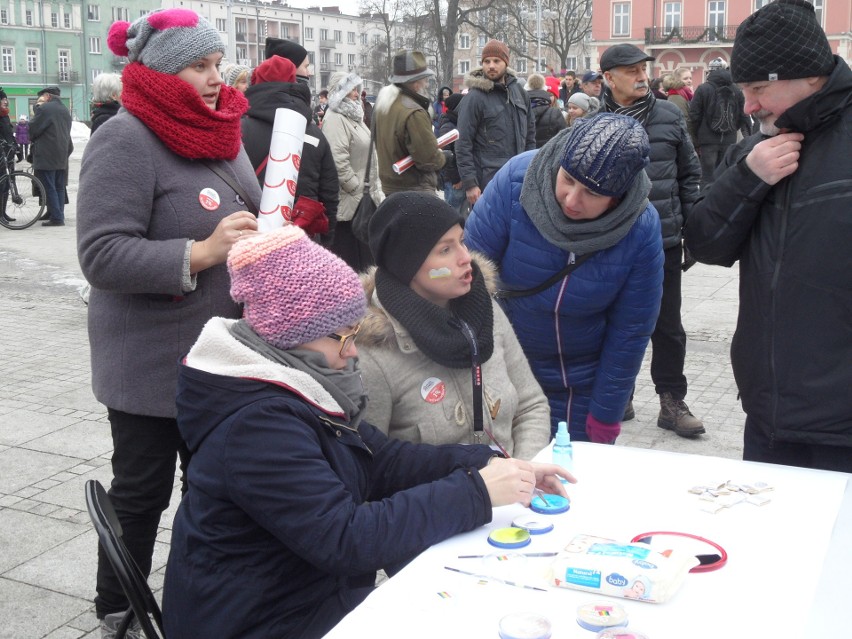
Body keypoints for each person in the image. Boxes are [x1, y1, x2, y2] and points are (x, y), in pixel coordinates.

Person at [161, 224, 573, 639]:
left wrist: (490, 462)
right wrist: (476, 492)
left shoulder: (299, 382)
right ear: (293, 337)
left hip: (296, 593)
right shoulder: (258, 423)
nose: (353, 351)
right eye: (342, 337)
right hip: (256, 620)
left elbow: (381, 458)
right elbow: (345, 538)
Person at [75, 10, 261, 637]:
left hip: (223, 355)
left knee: (214, 490)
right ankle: (117, 607)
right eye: (199, 67)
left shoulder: (224, 133)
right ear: (161, 70)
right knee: (141, 496)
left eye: (216, 64)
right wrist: (201, 252)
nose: (216, 78)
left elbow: (252, 213)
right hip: (151, 367)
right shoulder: (123, 138)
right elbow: (101, 254)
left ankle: (197, 599)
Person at [684, 0, 852, 473]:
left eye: (759, 88)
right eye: (743, 89)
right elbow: (705, 244)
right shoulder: (755, 148)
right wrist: (748, 178)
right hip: (768, 414)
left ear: (810, 75)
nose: (749, 105)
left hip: (841, 423)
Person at [465, 114, 664, 443]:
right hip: (504, 371)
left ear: (618, 198)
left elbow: (630, 330)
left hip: (580, 385)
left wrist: (606, 412)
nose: (572, 200)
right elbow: (469, 280)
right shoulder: (516, 180)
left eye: (591, 193)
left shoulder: (640, 228)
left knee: (567, 486)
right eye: (568, 179)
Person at [357, 192, 551, 459]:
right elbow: (371, 465)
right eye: (445, 250)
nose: (465, 258)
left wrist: (525, 474)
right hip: (444, 500)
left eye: (461, 241)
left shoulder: (486, 309)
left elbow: (531, 405)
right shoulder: (373, 353)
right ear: (407, 265)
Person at [599, 43, 704, 437]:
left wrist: (691, 230)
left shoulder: (669, 115)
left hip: (661, 241)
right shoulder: (590, 124)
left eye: (644, 69)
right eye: (631, 71)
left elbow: (689, 176)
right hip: (609, 243)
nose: (642, 76)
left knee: (668, 326)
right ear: (609, 78)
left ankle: (671, 401)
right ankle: (618, 396)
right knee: (613, 323)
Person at [242, 55, 339, 246]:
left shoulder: (239, 130)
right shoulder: (314, 134)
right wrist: (324, 243)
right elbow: (329, 193)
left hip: (251, 239)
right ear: (294, 85)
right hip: (303, 237)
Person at [456, 39, 535, 206]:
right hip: (487, 182)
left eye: (496, 61)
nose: (491, 66)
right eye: (486, 61)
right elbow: (463, 142)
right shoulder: (474, 97)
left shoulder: (519, 93)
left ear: (506, 62)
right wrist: (470, 183)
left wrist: (530, 170)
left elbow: (530, 135)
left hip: (518, 179)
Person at [322, 70, 380, 271]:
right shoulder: (335, 118)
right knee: (354, 265)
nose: (356, 94)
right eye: (351, 90)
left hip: (363, 201)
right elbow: (338, 162)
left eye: (356, 89)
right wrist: (357, 188)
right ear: (340, 92)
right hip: (351, 206)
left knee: (365, 263)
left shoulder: (354, 116)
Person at [373, 50, 447, 194]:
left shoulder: (384, 105)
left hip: (390, 188)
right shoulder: (413, 112)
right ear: (415, 83)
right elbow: (428, 158)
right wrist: (443, 158)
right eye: (424, 78)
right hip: (414, 190)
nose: (426, 84)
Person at [688, 57, 751, 189]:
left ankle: (704, 204)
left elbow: (694, 116)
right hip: (729, 138)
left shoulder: (703, 88)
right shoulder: (736, 89)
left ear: (710, 71)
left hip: (707, 140)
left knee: (707, 176)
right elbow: (743, 115)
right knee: (724, 174)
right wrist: (735, 128)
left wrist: (696, 140)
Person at [29, 86, 72, 227]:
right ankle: (59, 214)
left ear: (47, 96)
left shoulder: (44, 109)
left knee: (49, 186)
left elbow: (33, 129)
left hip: (46, 154)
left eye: (41, 97)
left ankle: (57, 218)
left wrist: (36, 108)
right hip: (61, 154)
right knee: (59, 186)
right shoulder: (65, 110)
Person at [436, 92, 466, 215]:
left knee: (462, 213)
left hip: (460, 177)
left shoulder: (457, 122)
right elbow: (447, 155)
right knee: (453, 214)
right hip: (454, 181)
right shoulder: (448, 127)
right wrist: (455, 179)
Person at [527, 73, 567, 148]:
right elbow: (564, 141)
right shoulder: (555, 113)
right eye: (548, 94)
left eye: (551, 95)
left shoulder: (521, 110)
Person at [0, 88, 16, 224]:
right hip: (1, 154)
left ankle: (3, 212)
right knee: (1, 184)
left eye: (6, 99)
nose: (6, 101)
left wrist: (16, 147)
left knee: (7, 184)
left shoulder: (5, 115)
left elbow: (9, 134)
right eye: (3, 99)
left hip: (8, 154)